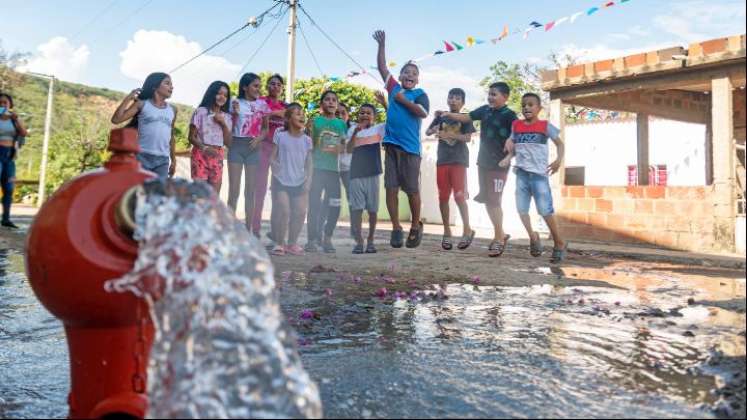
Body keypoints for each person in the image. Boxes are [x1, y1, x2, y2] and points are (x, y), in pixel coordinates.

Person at [437, 82, 516, 257]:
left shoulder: (510, 115)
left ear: (505, 97)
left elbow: (516, 137)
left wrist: (509, 157)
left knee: (495, 201)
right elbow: (466, 118)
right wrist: (448, 114)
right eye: (489, 94)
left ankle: (498, 238)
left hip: (500, 165)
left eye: (494, 94)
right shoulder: (485, 110)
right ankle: (500, 234)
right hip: (484, 163)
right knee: (488, 200)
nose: (490, 97)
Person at [372, 30, 430, 249]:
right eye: (406, 72)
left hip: (411, 150)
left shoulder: (420, 94)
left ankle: (416, 225)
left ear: (417, 79)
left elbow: (423, 112)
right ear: (401, 75)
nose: (409, 75)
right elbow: (382, 67)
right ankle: (396, 227)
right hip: (391, 147)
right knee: (391, 188)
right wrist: (382, 45)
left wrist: (401, 100)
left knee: (412, 190)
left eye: (413, 73)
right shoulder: (393, 87)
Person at [501, 93, 568, 263]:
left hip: (539, 176)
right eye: (524, 105)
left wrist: (558, 160)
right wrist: (509, 152)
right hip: (521, 174)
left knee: (545, 211)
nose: (526, 108)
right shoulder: (516, 125)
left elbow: (560, 144)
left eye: (531, 105)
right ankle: (533, 236)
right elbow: (513, 145)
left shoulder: (545, 126)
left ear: (539, 108)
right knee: (521, 209)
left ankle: (559, 243)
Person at [425, 88, 476, 251]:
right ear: (447, 99)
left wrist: (449, 135)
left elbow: (468, 138)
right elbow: (428, 131)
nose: (453, 100)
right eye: (451, 97)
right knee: (443, 197)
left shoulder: (465, 119)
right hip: (442, 161)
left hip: (459, 161)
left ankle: (467, 229)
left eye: (457, 98)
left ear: (463, 103)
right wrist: (434, 127)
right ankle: (446, 232)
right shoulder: (441, 116)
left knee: (460, 197)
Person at [228, 73, 274, 232]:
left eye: (259, 86)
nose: (259, 89)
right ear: (244, 87)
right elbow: (229, 125)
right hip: (236, 145)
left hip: (254, 148)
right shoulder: (234, 102)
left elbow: (266, 128)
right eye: (255, 86)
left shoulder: (262, 105)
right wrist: (233, 114)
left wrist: (259, 139)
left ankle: (248, 230)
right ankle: (230, 230)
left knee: (250, 191)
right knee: (233, 190)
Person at [111, 72, 177, 178]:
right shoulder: (142, 104)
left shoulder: (173, 110)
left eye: (171, 84)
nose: (172, 87)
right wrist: (128, 98)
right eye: (167, 83)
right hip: (141, 157)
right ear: (155, 86)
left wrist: (173, 160)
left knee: (158, 193)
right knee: (139, 191)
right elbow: (116, 119)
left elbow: (171, 137)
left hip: (162, 161)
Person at [305, 90, 347, 253]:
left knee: (335, 205)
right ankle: (311, 240)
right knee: (314, 205)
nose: (331, 102)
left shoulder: (341, 124)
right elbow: (308, 146)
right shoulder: (315, 121)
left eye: (334, 100)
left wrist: (340, 147)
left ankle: (327, 237)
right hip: (316, 170)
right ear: (322, 103)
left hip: (333, 171)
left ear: (336, 105)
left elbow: (344, 146)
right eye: (327, 100)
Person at [269, 103, 313, 256]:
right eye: (297, 113)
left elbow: (309, 162)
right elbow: (273, 155)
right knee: (284, 210)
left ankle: (292, 243)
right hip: (281, 180)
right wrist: (273, 164)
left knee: (300, 212)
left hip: (300, 180)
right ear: (287, 119)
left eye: (302, 114)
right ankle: (279, 243)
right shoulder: (280, 135)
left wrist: (308, 180)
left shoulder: (307, 139)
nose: (302, 116)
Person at [347, 104, 386, 254]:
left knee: (372, 210)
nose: (364, 115)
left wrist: (384, 104)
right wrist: (355, 133)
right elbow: (349, 149)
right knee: (356, 210)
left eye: (368, 113)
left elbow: (393, 121)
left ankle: (370, 240)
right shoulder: (352, 129)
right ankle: (359, 241)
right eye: (362, 112)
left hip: (373, 174)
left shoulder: (378, 129)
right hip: (356, 174)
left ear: (374, 117)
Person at [254, 74, 287, 238]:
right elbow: (259, 116)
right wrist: (277, 113)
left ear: (282, 88)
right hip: (262, 147)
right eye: (272, 84)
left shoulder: (286, 105)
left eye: (278, 84)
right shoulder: (260, 102)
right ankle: (255, 229)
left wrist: (278, 113)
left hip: (280, 152)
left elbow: (291, 119)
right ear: (267, 86)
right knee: (258, 189)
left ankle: (275, 232)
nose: (275, 86)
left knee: (278, 191)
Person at [189, 81, 233, 192]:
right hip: (200, 155)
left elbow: (228, 143)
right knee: (200, 196)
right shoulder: (200, 112)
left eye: (225, 95)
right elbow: (191, 137)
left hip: (217, 156)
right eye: (219, 93)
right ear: (212, 93)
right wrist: (205, 148)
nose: (222, 97)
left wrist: (223, 123)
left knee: (214, 198)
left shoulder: (227, 117)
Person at [0, 93, 27, 229]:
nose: (3, 105)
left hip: (10, 156)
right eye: (0, 103)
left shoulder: (14, 120)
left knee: (9, 188)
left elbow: (23, 133)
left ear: (10, 105)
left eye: (5, 103)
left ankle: (6, 219)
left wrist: (16, 120)